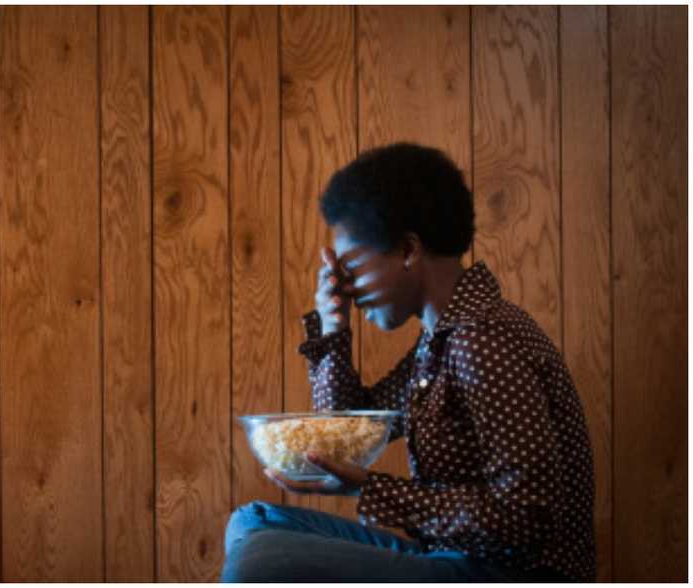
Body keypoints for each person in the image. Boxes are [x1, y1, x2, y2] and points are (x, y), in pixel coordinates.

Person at [221, 142, 596, 582]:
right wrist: (333, 326)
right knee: (254, 523)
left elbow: (526, 519)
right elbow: (344, 431)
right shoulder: (438, 341)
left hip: (507, 571)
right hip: (447, 554)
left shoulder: (482, 340)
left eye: (353, 270)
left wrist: (370, 489)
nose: (349, 289)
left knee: (262, 562)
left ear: (408, 251)